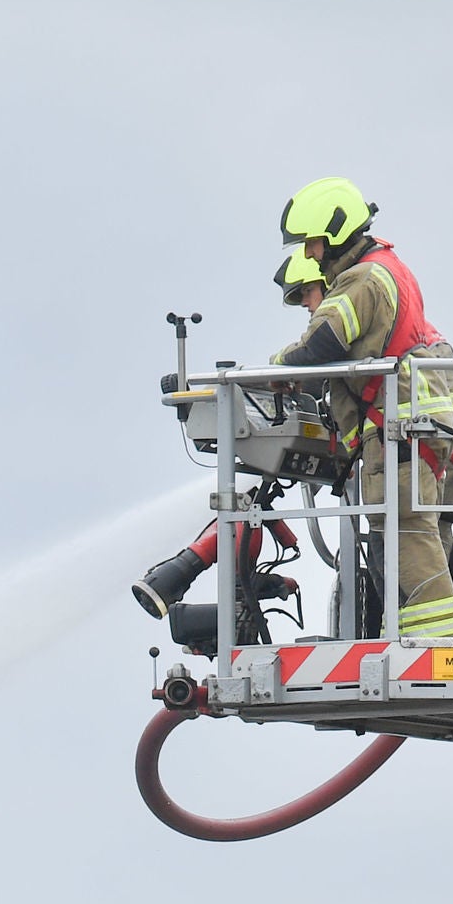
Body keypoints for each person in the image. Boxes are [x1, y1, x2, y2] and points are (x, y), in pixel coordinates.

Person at [275, 176, 453, 641]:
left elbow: (319, 347)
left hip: (409, 431)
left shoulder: (361, 280)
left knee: (408, 533)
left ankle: (438, 648)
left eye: (311, 244)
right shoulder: (396, 281)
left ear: (336, 233)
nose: (308, 256)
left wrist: (273, 371)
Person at [130, 252, 326, 628]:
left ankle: (187, 576)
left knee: (242, 511)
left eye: (307, 292)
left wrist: (271, 376)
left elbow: (308, 364)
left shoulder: (337, 326)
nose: (304, 302)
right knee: (244, 508)